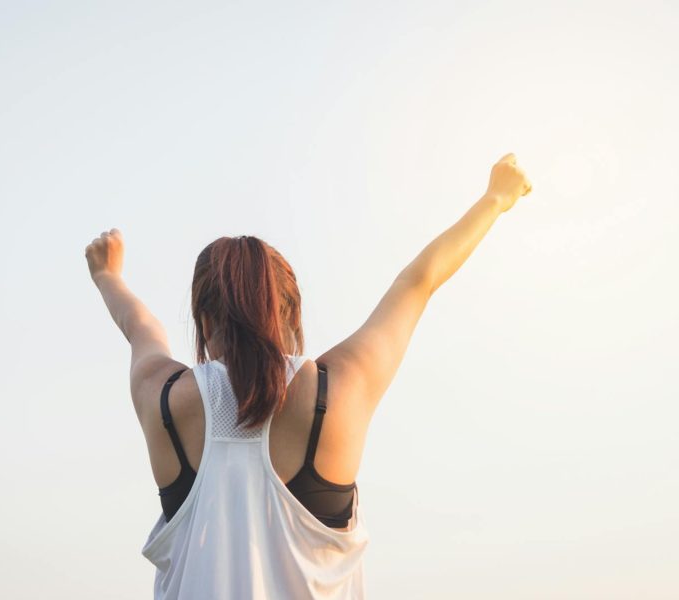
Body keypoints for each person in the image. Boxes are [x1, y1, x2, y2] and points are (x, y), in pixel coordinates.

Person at [84, 153, 533, 599]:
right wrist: (495, 198)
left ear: (202, 321)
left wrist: (107, 274)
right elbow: (417, 282)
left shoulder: (162, 400)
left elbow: (140, 327)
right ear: (292, 315)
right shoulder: (338, 391)